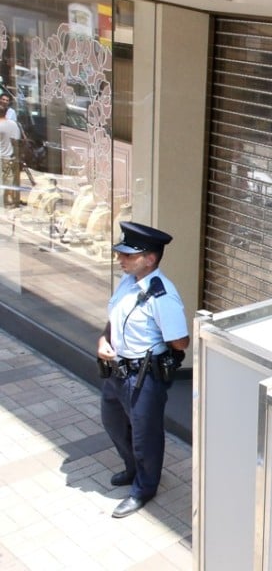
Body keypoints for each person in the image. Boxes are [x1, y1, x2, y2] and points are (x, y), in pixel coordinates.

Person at [97, 221, 189, 518]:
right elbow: (114, 320)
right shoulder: (128, 281)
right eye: (121, 253)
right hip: (116, 372)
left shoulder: (162, 295)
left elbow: (180, 342)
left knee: (145, 436)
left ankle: (144, 488)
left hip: (143, 377)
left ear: (150, 258)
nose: (120, 259)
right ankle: (133, 469)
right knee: (113, 422)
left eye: (128, 255)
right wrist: (102, 339)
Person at [0, 97, 20, 209]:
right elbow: (16, 140)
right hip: (8, 157)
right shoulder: (12, 124)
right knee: (8, 180)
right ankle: (6, 200)